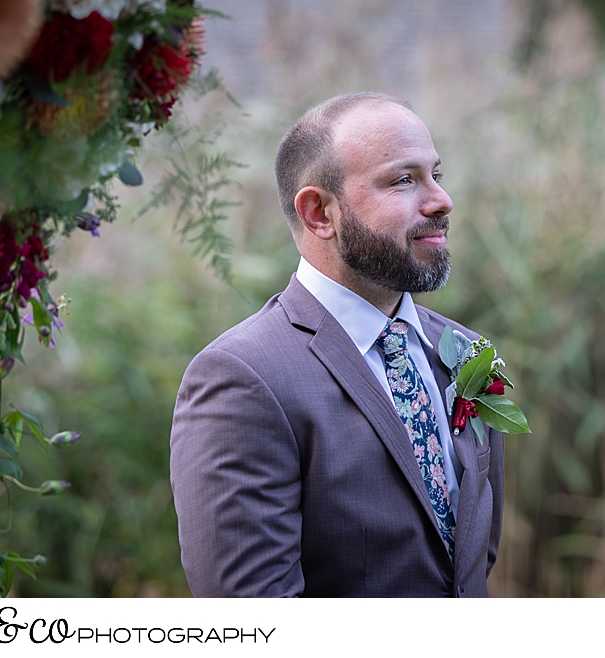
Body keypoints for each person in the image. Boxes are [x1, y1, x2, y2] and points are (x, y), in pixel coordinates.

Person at [170, 91, 504, 597]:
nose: (440, 200)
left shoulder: (465, 352)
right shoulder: (243, 377)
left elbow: (472, 565)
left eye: (437, 174)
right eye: (403, 180)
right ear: (319, 213)